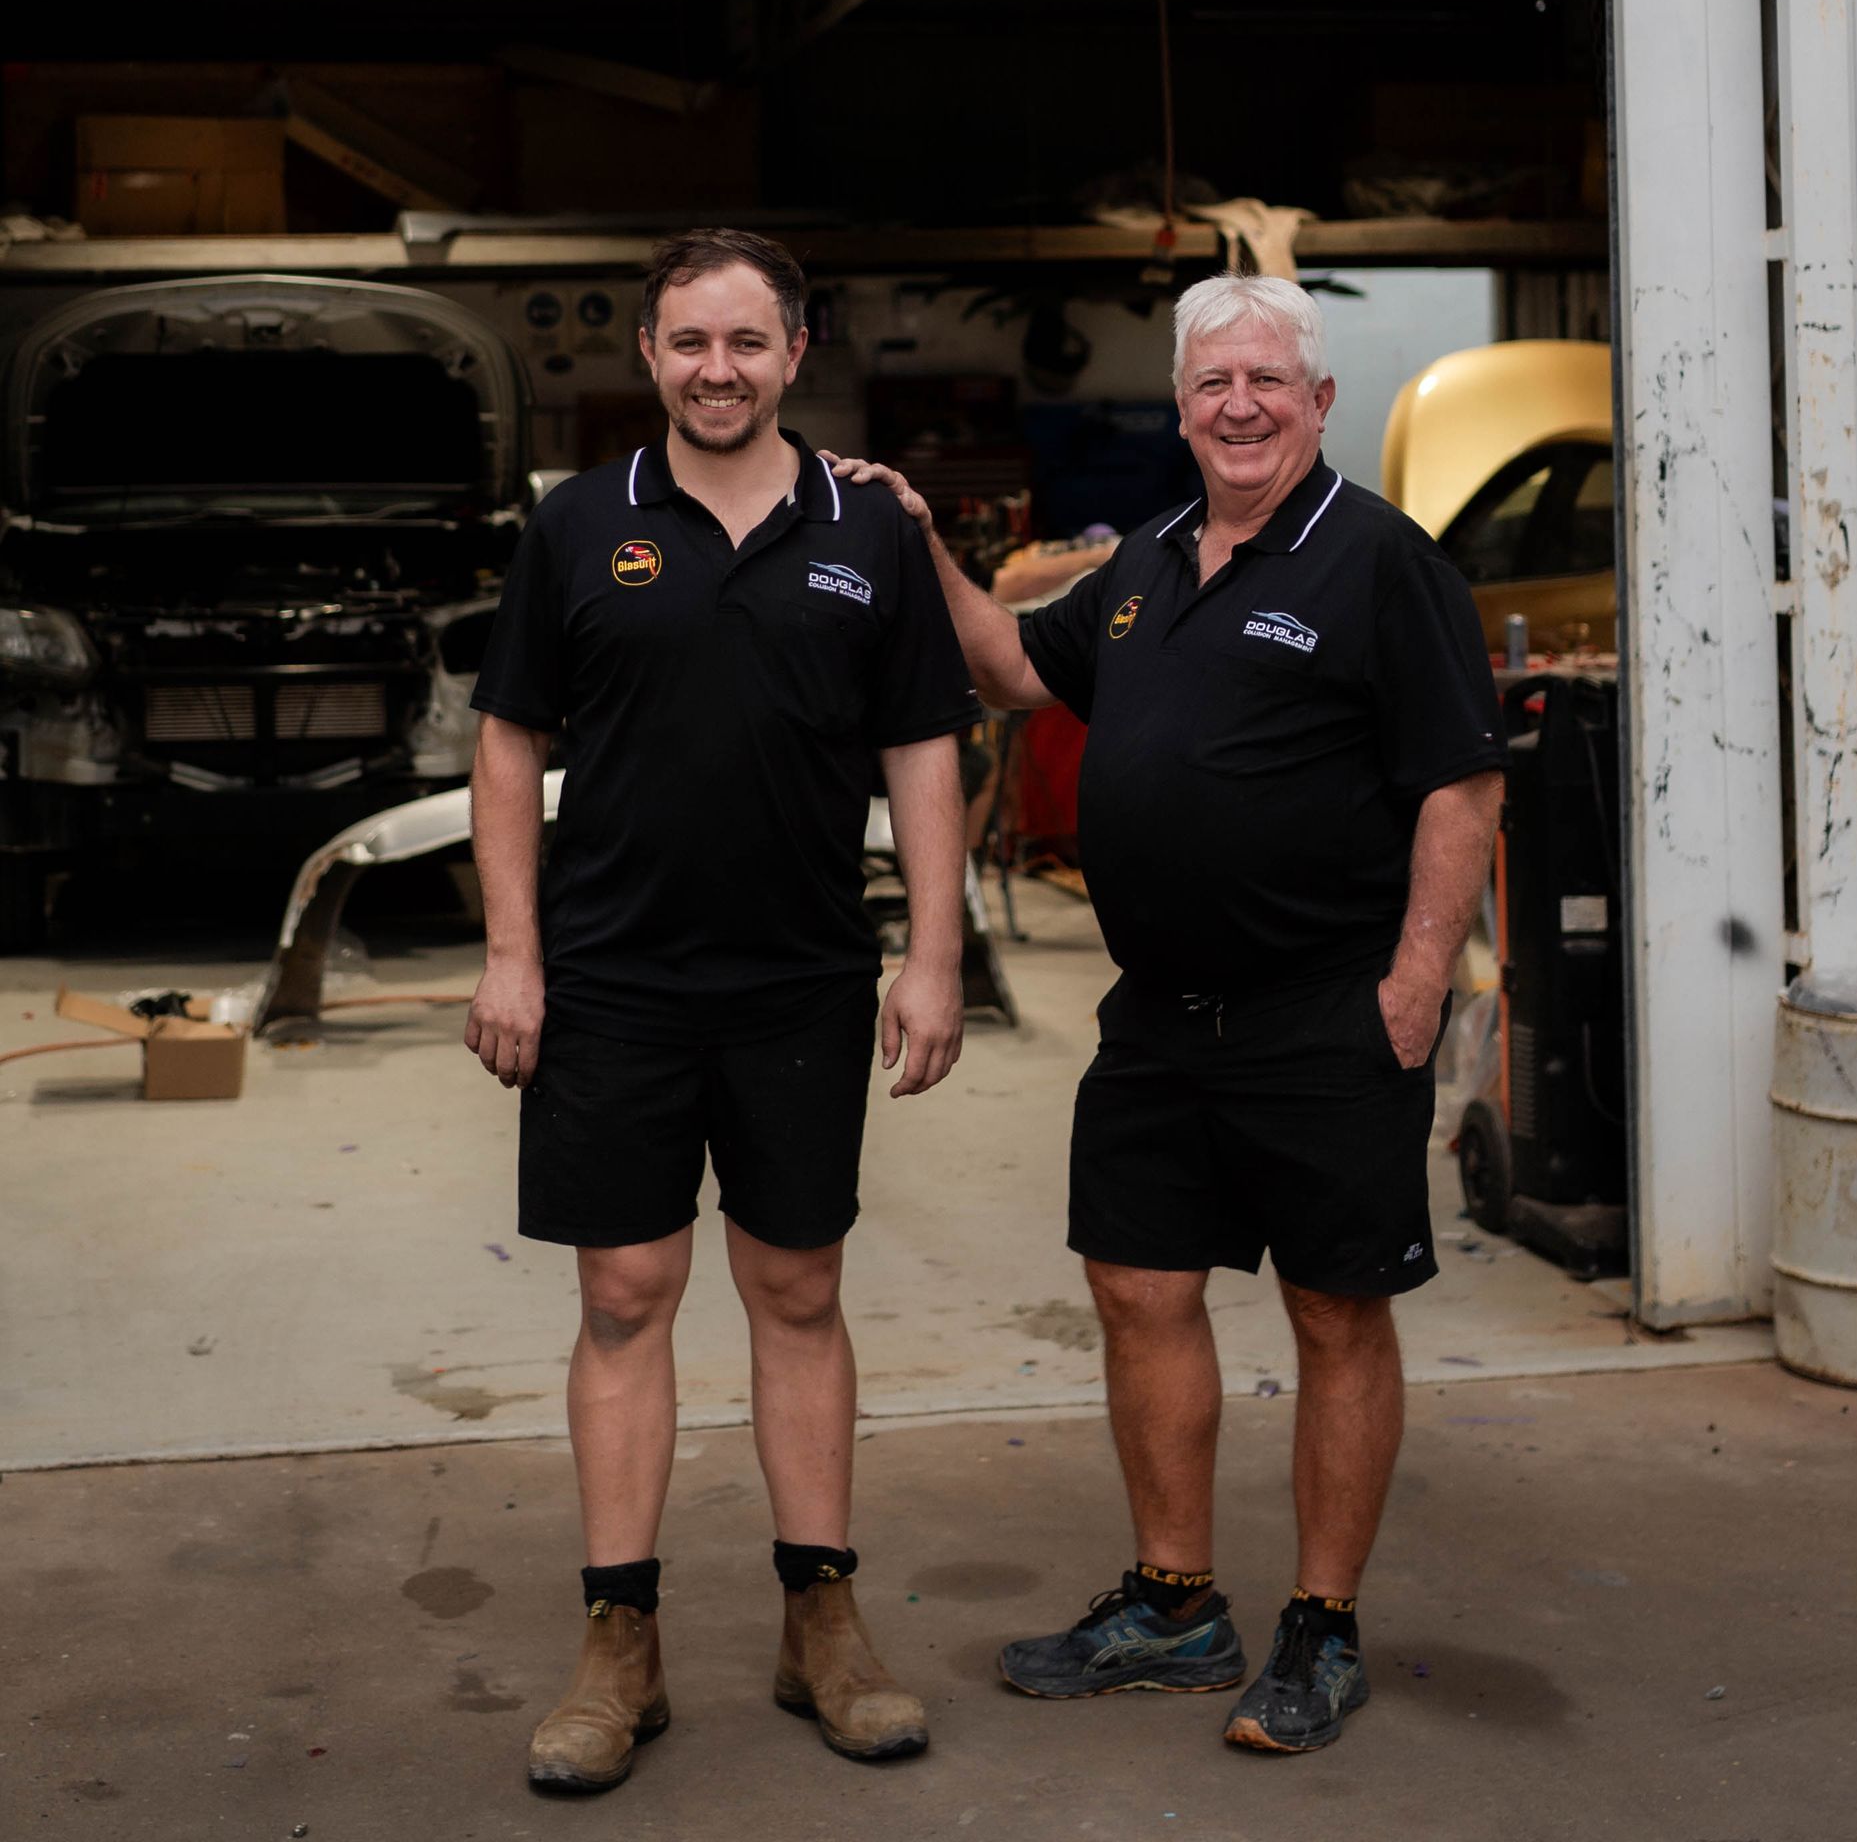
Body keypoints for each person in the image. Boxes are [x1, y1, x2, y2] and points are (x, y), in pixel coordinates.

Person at [832, 271, 1504, 1759]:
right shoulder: (1149, 558)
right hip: (1157, 1021)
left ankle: (1321, 1628)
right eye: (1215, 385)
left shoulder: (1382, 564)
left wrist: (1414, 983)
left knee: (1335, 1312)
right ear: (1186, 408)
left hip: (1327, 1009)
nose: (1243, 406)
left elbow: (1461, 786)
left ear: (1320, 403)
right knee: (1139, 1289)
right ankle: (1175, 1603)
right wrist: (928, 547)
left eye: (1271, 380)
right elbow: (1010, 672)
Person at [464, 227, 977, 1794]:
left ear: (797, 350)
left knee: (799, 1287)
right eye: (690, 342)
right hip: (613, 975)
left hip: (801, 974)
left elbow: (924, 755)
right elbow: (505, 748)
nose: (717, 371)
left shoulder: (868, 534)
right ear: (649, 353)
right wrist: (511, 952)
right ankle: (621, 1644)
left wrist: (935, 953)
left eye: (747, 342)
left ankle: (821, 1619)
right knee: (624, 1291)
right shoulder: (576, 526)